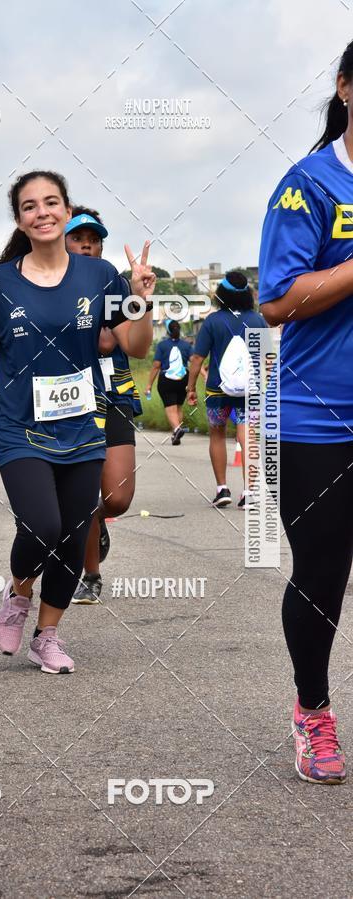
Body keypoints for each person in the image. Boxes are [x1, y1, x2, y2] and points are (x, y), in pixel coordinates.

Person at [0, 170, 153, 672]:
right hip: (18, 426)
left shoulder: (99, 277)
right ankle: (17, 594)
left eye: (51, 202)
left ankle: (47, 635)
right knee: (41, 525)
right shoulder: (0, 282)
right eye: (30, 206)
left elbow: (137, 347)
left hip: (82, 425)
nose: (42, 212)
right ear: (20, 219)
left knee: (74, 535)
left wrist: (139, 297)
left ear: (65, 208)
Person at [257, 42, 353, 785]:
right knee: (323, 570)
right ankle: (312, 709)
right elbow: (279, 301)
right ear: (347, 89)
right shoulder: (308, 186)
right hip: (319, 422)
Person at [63, 207, 149, 605]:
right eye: (79, 238)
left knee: (116, 499)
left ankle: (94, 521)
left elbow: (113, 342)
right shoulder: (45, 282)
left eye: (94, 239)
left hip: (112, 392)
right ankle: (91, 575)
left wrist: (139, 299)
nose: (87, 244)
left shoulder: (112, 279)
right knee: (78, 499)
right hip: (66, 398)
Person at [186, 272, 266, 508]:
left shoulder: (212, 321)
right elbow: (268, 357)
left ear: (221, 295)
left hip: (217, 390)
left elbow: (198, 358)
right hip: (249, 391)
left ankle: (222, 490)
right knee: (248, 435)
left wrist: (190, 387)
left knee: (218, 433)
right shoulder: (257, 320)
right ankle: (249, 493)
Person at [146, 319, 193, 445]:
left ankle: (177, 429)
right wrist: (204, 375)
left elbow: (156, 365)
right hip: (184, 379)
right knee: (178, 407)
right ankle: (175, 434)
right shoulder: (186, 345)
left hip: (167, 380)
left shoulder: (162, 345)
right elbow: (194, 361)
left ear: (167, 331)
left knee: (170, 407)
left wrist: (149, 385)